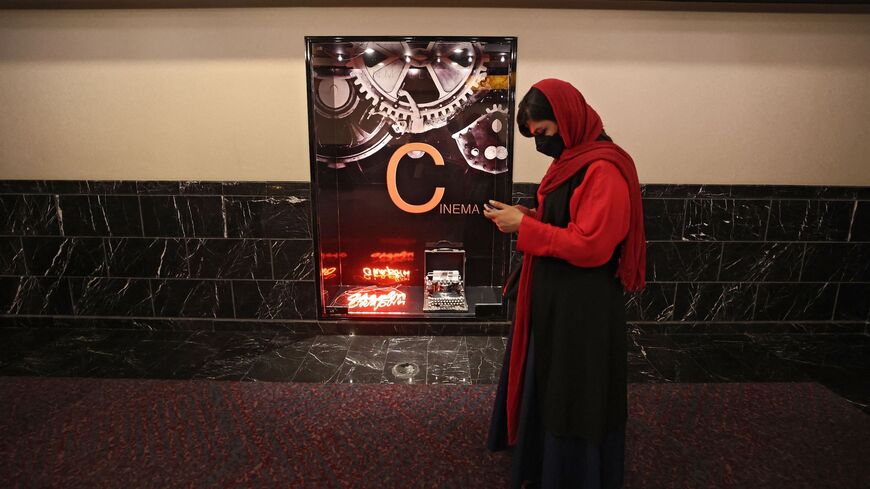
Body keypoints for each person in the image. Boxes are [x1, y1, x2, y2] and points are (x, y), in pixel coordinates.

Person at [483, 78, 646, 489]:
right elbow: (564, 221)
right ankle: (544, 462)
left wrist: (526, 227)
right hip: (558, 297)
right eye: (535, 135)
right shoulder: (573, 159)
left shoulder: (603, 168)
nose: (541, 143)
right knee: (555, 382)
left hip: (582, 306)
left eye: (544, 133)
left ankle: (572, 473)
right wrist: (527, 215)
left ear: (567, 119)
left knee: (574, 390)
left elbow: (593, 246)